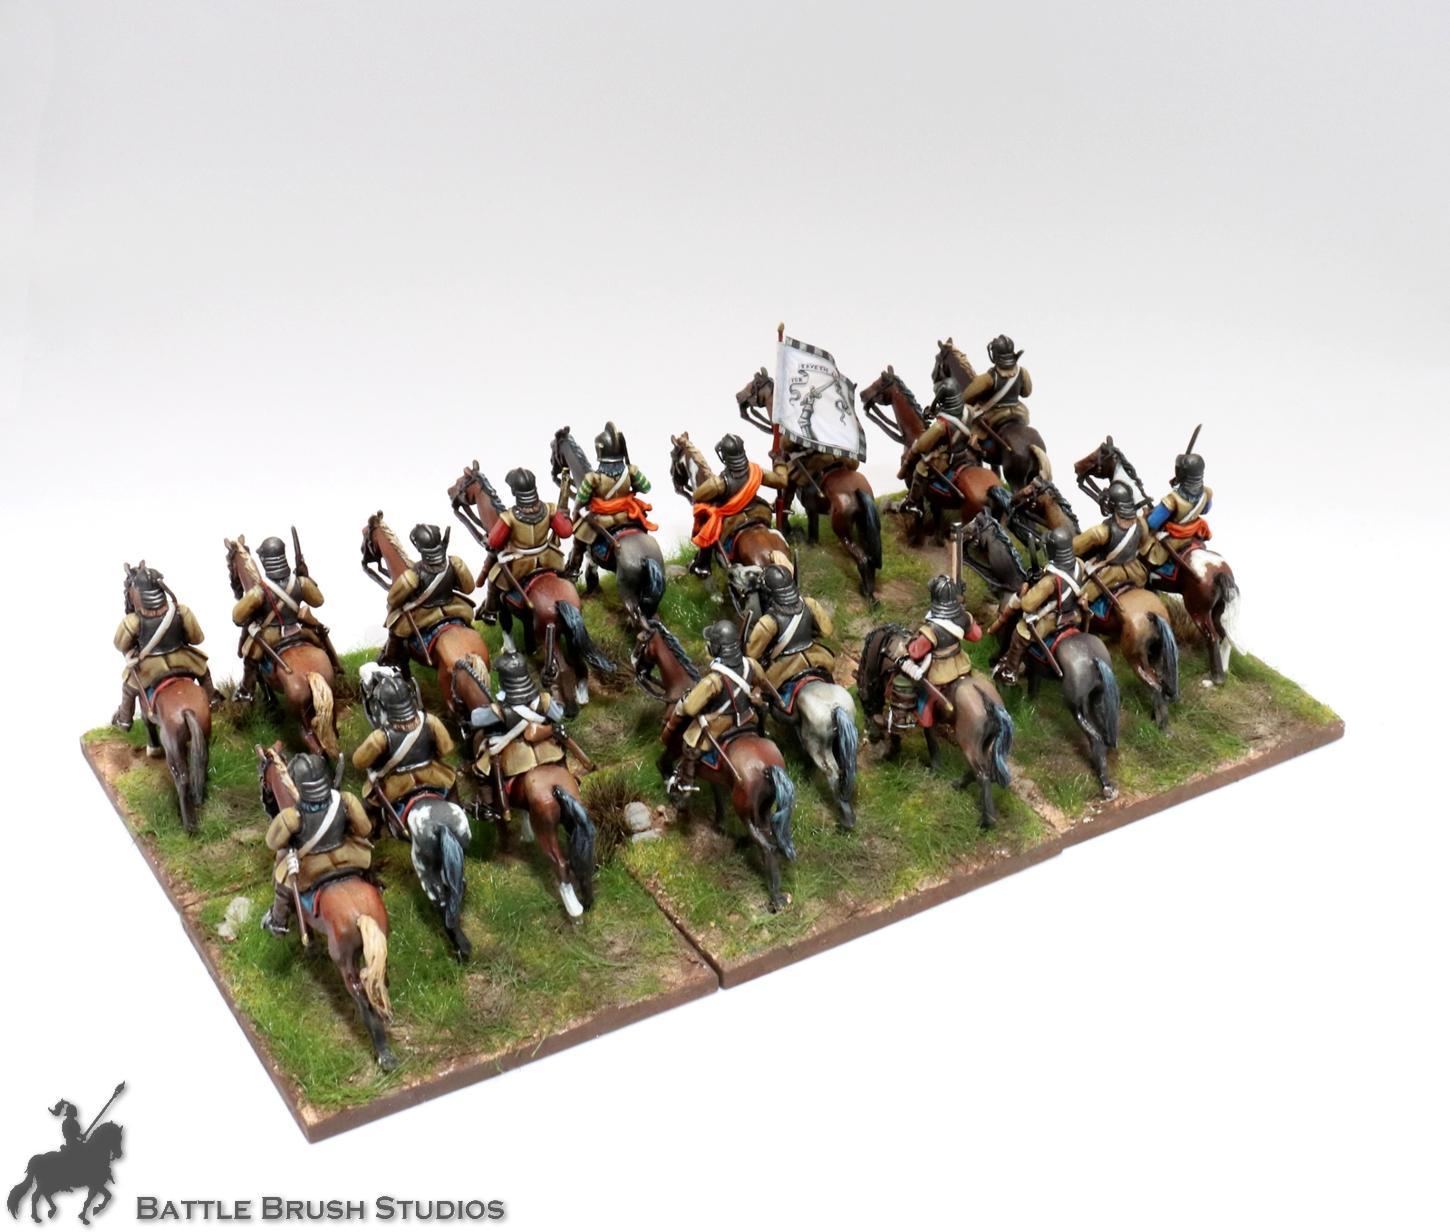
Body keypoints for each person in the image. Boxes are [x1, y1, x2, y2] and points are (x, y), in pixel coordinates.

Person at [260, 752, 374, 936]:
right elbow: (365, 829)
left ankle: (278, 921)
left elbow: (272, 842)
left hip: (312, 866)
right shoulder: (345, 801)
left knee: (282, 878)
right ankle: (374, 883)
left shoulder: (292, 817)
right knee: (366, 862)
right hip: (347, 855)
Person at [660, 620, 766, 796]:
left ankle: (685, 784)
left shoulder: (713, 680)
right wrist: (756, 693)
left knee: (690, 746)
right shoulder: (751, 665)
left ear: (717, 648)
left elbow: (690, 708)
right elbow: (761, 682)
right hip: (747, 716)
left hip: (720, 722)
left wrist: (688, 698)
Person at [113, 562, 218, 733]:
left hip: (149, 666)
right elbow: (196, 638)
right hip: (183, 657)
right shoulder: (181, 611)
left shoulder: (132, 621)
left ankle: (124, 720)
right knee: (204, 672)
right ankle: (213, 699)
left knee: (128, 689)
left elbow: (120, 645)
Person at [231, 536, 338, 702]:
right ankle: (335, 665)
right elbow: (318, 601)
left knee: (250, 657)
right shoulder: (300, 582)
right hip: (299, 630)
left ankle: (246, 691)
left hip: (271, 635)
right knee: (320, 635)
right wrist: (306, 578)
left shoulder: (259, 591)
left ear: (265, 561)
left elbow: (237, 617)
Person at [467, 652, 570, 819]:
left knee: (482, 768)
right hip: (546, 748)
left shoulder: (500, 710)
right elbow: (558, 715)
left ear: (504, 681)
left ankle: (489, 806)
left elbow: (475, 718)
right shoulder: (543, 700)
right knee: (560, 746)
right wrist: (552, 691)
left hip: (517, 754)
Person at [351, 672, 458, 828]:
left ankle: (373, 831)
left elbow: (358, 762)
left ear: (383, 707)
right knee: (452, 783)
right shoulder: (431, 721)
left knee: (369, 803)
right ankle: (458, 808)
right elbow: (446, 749)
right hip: (433, 775)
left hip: (397, 784)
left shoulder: (380, 737)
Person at [678, 432, 787, 577]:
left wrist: (714, 488)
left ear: (725, 457)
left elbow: (697, 495)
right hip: (759, 512)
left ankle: (703, 564)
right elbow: (781, 480)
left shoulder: (719, 483)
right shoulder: (756, 471)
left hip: (733, 519)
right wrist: (779, 461)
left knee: (708, 524)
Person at [989, 527, 1088, 684]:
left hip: (1053, 619)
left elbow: (1027, 605)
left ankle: (1009, 671)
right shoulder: (1080, 564)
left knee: (1020, 634)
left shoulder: (1050, 581)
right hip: (1075, 614)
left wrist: (1028, 590)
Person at [380, 524, 477, 673]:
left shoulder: (413, 575)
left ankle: (391, 660)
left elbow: (392, 600)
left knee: (395, 629)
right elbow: (468, 588)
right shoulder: (455, 562)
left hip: (425, 615)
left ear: (419, 548)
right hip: (455, 607)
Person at [564, 422, 656, 577]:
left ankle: (573, 569)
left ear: (599, 451)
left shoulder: (593, 478)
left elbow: (582, 499)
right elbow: (646, 488)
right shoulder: (631, 471)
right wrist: (632, 478)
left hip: (603, 519)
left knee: (578, 542)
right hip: (628, 515)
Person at [480, 468, 573, 619]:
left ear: (514, 492)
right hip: (549, 558)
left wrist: (488, 540)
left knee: (492, 578)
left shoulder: (509, 517)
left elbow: (494, 542)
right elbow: (566, 532)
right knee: (565, 573)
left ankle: (490, 612)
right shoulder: (550, 509)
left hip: (520, 565)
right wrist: (564, 516)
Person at [894, 576, 982, 730]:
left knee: (925, 699)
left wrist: (909, 644)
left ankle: (918, 717)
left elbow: (915, 652)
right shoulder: (964, 617)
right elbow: (976, 635)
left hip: (941, 672)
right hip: (962, 665)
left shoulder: (931, 630)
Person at [743, 565, 836, 696]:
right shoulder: (810, 604)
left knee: (760, 694)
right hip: (816, 656)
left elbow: (752, 653)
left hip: (785, 668)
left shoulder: (768, 622)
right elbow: (827, 630)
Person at [898, 374, 978, 513]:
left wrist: (914, 449)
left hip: (947, 458)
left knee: (920, 469)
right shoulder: (969, 411)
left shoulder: (940, 426)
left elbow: (921, 446)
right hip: (965, 453)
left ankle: (913, 502)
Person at [1073, 481, 1158, 607]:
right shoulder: (1142, 524)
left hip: (1109, 574)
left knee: (1077, 599)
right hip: (1136, 572)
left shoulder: (1101, 532)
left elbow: (1074, 548)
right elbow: (1141, 544)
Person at [963, 334, 1033, 452]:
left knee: (969, 429)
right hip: (1019, 412)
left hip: (995, 415)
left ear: (995, 355)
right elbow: (1026, 393)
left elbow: (966, 396)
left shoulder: (989, 378)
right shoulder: (1023, 372)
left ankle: (976, 451)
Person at [1147, 447, 1214, 557]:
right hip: (1195, 532)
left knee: (1146, 550)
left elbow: (1152, 523)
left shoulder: (1172, 499)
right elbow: (1205, 511)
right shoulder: (1207, 492)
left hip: (1175, 537)